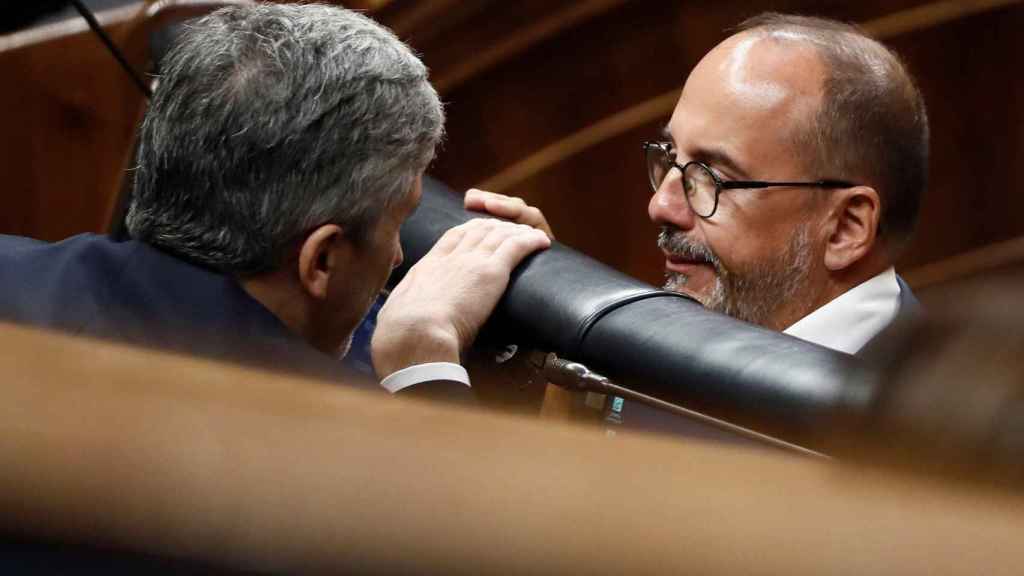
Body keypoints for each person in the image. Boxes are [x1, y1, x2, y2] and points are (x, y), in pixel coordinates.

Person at [0, 4, 549, 395]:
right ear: (323, 259)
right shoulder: (326, 452)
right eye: (400, 224)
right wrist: (429, 363)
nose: (400, 259)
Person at [466, 12, 927, 357]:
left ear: (845, 228)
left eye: (713, 177)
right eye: (670, 158)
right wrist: (541, 304)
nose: (661, 206)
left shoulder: (927, 445)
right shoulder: (675, 342)